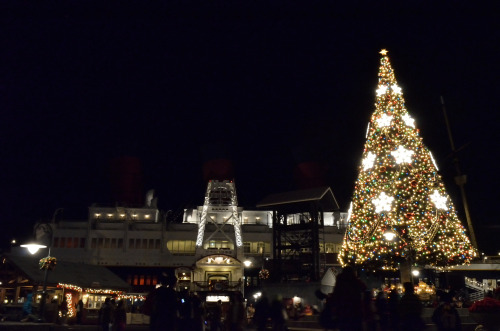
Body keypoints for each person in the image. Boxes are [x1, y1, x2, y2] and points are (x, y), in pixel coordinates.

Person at [328, 265, 367, 331]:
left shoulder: (340, 281)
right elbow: (364, 287)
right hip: (355, 309)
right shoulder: (354, 280)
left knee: (344, 327)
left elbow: (336, 294)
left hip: (343, 310)